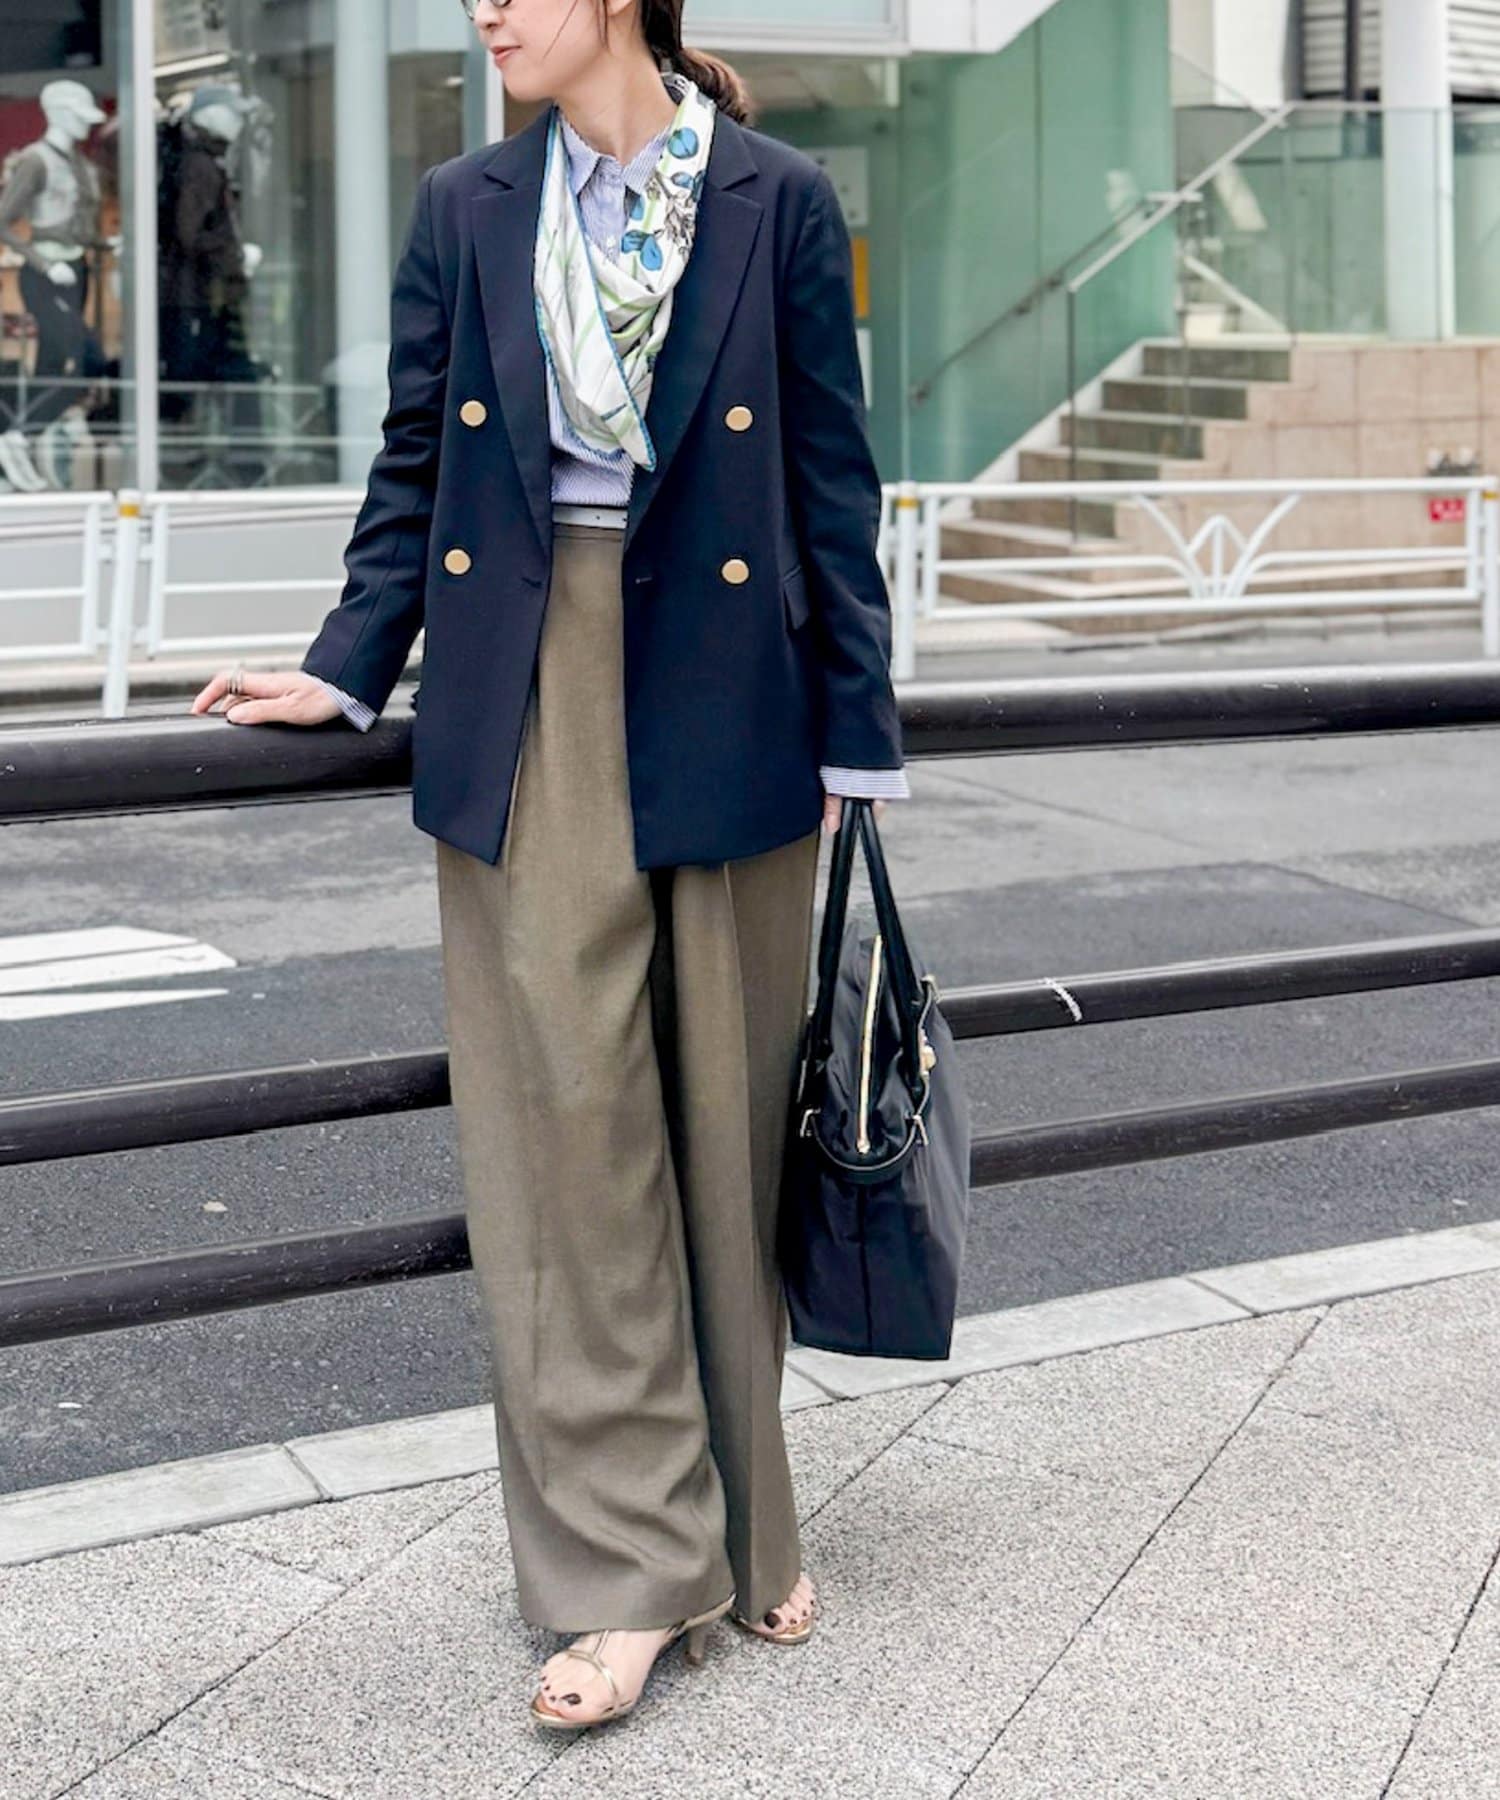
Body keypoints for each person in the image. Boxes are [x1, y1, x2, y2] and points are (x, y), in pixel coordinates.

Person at [189, 0, 909, 1731]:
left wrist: (855, 736)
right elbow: (415, 460)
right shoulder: (471, 206)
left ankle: (745, 1519)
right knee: (571, 1133)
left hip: (733, 688)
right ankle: (628, 1566)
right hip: (524, 681)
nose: (487, 10)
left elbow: (833, 477)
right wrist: (347, 667)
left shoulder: (775, 196)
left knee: (725, 1125)